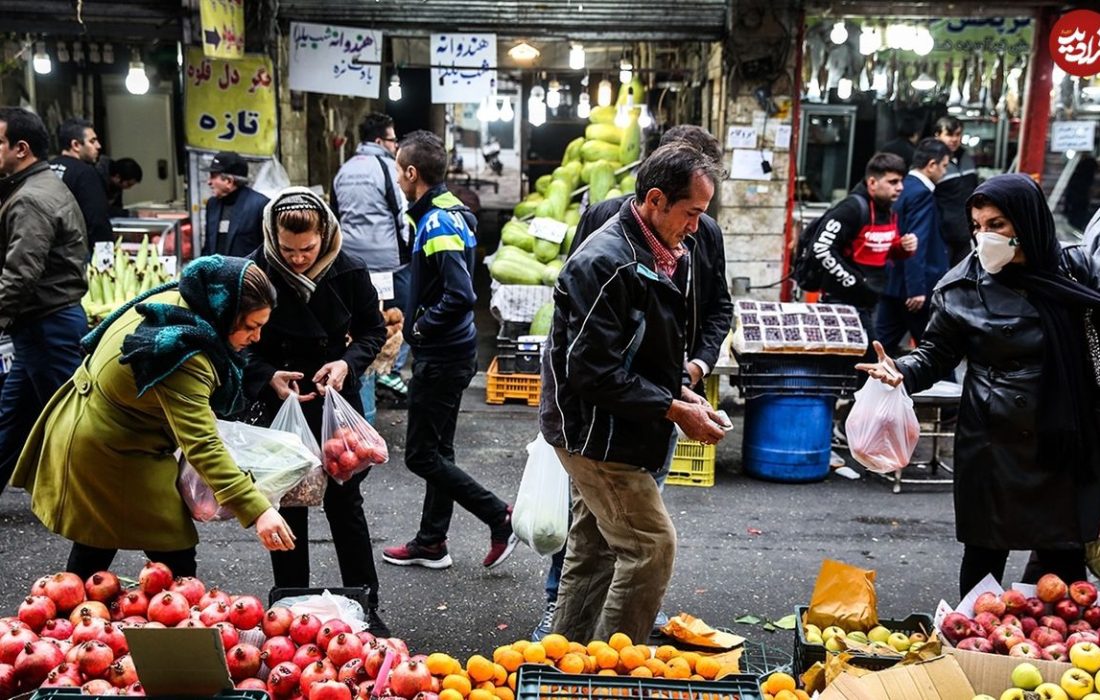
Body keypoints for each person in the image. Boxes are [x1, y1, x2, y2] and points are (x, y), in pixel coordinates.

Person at [531, 125, 733, 641]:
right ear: (657, 200)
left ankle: (566, 660)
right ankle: (619, 668)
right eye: (691, 214)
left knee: (596, 546)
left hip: (620, 424)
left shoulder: (657, 249)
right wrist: (673, 408)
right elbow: (590, 372)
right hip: (595, 433)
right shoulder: (608, 263)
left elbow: (637, 349)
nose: (696, 228)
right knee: (650, 546)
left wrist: (683, 390)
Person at [857, 173, 1100, 597]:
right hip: (995, 445)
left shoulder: (1075, 268)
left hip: (1065, 440)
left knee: (1065, 564)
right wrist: (901, 370)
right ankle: (970, 655)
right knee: (985, 563)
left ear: (1028, 221)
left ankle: (1065, 659)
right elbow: (936, 352)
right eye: (977, 226)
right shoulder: (960, 286)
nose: (984, 236)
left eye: (997, 225)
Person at [10, 255, 296, 578]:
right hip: (107, 447)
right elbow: (202, 445)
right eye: (251, 326)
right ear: (224, 311)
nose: (256, 337)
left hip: (103, 429)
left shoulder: (179, 299)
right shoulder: (181, 353)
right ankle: (176, 623)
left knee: (96, 543)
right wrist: (258, 510)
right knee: (171, 555)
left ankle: (68, 615)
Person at [244, 187, 389, 634]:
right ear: (273, 237)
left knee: (346, 504)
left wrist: (347, 363)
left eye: (307, 249)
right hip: (280, 402)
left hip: (334, 400)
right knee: (288, 504)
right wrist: (267, 373)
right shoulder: (257, 270)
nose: (298, 259)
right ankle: (289, 608)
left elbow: (373, 330)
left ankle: (366, 604)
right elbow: (237, 337)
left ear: (324, 235)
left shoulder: (348, 270)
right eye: (287, 249)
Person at [380, 130, 516, 570]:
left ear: (412, 173)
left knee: (421, 455)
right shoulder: (442, 213)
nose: (398, 178)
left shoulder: (438, 221)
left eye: (399, 170)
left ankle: (499, 516)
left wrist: (420, 326)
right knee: (440, 450)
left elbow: (459, 293)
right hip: (452, 352)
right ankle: (431, 541)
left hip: (443, 355)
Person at [0, 107, 89, 497]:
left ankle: (101, 501)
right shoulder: (38, 186)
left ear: (20, 148)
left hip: (48, 325)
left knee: (77, 422)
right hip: (41, 326)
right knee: (13, 418)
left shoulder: (30, 199)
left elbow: (20, 274)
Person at [332, 114, 411, 403]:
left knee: (361, 320)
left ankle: (361, 372)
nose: (395, 145)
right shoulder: (388, 168)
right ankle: (389, 372)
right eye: (392, 140)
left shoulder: (344, 169)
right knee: (397, 318)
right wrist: (406, 247)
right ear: (380, 141)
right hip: (388, 259)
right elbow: (400, 211)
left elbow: (335, 215)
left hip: (351, 259)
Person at [808, 152, 917, 346]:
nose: (900, 188)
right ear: (873, 183)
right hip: (842, 302)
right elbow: (821, 248)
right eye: (893, 182)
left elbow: (883, 249)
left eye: (901, 181)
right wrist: (854, 281)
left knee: (868, 361)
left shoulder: (888, 210)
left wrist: (903, 248)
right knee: (861, 360)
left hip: (871, 301)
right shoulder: (851, 208)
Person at [877, 138, 951, 354]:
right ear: (931, 165)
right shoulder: (921, 194)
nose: (945, 172)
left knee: (880, 347)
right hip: (913, 289)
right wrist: (916, 289)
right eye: (944, 166)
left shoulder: (902, 188)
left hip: (893, 283)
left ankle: (862, 386)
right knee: (937, 351)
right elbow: (916, 243)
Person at [50, 118, 112, 244]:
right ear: (76, 145)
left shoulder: (45, 168)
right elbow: (96, 219)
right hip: (75, 250)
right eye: (92, 141)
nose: (98, 146)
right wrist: (105, 254)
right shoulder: (85, 173)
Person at [202, 151, 269, 257]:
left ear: (229, 181)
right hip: (215, 272)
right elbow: (207, 247)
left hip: (245, 272)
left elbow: (267, 250)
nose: (209, 182)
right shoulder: (212, 205)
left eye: (213, 176)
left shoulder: (260, 205)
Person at [933, 116, 979, 266]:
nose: (954, 139)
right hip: (941, 235)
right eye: (949, 134)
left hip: (965, 232)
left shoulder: (967, 157)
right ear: (937, 135)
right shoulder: (931, 163)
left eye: (958, 134)